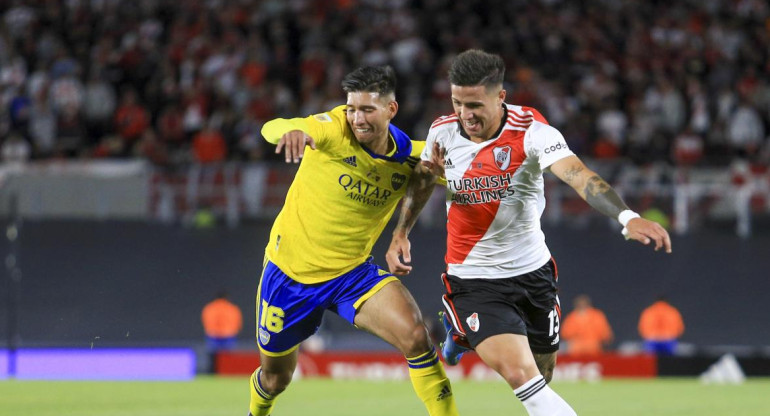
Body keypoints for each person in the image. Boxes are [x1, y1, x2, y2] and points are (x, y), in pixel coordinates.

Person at [387, 49, 672, 416]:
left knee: (543, 373)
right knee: (523, 379)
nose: (465, 114)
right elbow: (425, 178)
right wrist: (401, 232)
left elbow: (578, 175)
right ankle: (465, 324)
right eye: (458, 102)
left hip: (533, 274)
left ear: (500, 97)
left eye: (475, 104)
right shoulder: (442, 131)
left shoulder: (533, 133)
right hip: (474, 279)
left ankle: (458, 333)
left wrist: (627, 216)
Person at [250, 66, 458, 416]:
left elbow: (468, 177)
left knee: (416, 337)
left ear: (391, 110)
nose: (356, 119)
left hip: (352, 276)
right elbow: (272, 127)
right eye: (352, 108)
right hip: (289, 275)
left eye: (367, 110)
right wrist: (293, 130)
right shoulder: (333, 129)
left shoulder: (413, 157)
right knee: (275, 380)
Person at [201, 290, 243, 373]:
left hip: (213, 334)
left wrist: (211, 330)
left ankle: (212, 372)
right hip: (228, 334)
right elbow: (237, 320)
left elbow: (206, 320)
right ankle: (226, 372)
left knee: (212, 356)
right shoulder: (232, 308)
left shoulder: (210, 307)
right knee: (227, 357)